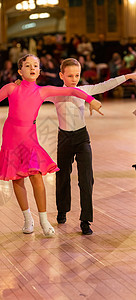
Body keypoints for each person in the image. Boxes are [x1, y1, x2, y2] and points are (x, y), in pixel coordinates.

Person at [0, 54, 102, 237]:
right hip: (11, 136)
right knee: (17, 179)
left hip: (30, 138)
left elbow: (73, 91)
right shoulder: (11, 87)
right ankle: (28, 219)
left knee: (36, 177)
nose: (32, 68)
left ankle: (43, 221)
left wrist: (92, 101)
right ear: (20, 71)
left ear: (39, 71)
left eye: (36, 65)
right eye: (28, 65)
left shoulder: (43, 91)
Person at [47, 58, 136, 235]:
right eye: (70, 75)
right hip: (64, 138)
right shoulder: (55, 93)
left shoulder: (84, 90)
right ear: (61, 75)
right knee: (62, 176)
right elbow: (33, 93)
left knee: (86, 179)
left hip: (82, 138)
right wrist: (20, 83)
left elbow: (106, 85)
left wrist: (128, 76)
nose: (74, 79)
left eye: (77, 75)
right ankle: (62, 211)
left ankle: (85, 220)